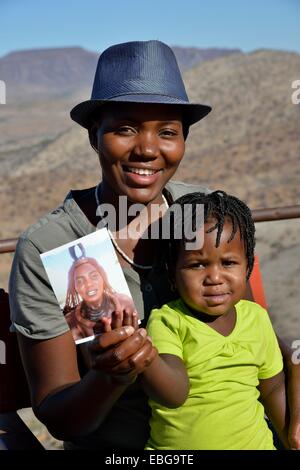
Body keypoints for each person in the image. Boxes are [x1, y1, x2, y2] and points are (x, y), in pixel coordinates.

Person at [8, 40, 300, 450]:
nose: (147, 148)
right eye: (125, 128)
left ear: (184, 140)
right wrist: (111, 376)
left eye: (167, 132)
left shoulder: (202, 215)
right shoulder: (53, 247)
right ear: (95, 136)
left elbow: (252, 334)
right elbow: (60, 415)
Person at [138, 190, 291, 449]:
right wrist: (143, 357)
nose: (214, 277)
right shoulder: (168, 321)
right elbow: (173, 393)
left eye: (229, 263)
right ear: (172, 275)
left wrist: (291, 438)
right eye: (197, 265)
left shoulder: (256, 318)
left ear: (248, 269)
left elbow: (273, 386)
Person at [63, 243, 136, 341]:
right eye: (80, 281)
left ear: (103, 278)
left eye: (94, 276)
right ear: (75, 287)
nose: (89, 284)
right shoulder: (70, 322)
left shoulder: (125, 302)